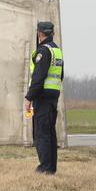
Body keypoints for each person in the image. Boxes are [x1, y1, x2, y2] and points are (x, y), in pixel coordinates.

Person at [26, 20, 63, 174]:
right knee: (50, 133)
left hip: (42, 96)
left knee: (41, 133)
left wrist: (29, 97)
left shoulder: (43, 51)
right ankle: (51, 167)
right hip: (53, 95)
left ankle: (45, 168)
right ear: (52, 33)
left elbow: (38, 77)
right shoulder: (57, 51)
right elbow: (61, 76)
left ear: (39, 34)